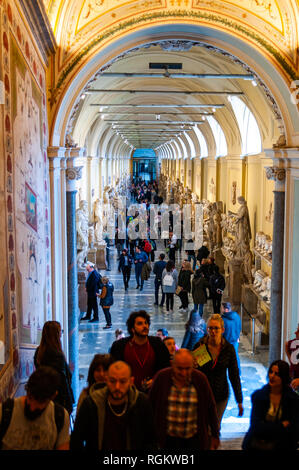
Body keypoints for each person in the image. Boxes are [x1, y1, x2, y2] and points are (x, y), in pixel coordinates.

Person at [70, 361, 156, 451]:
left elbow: (150, 440)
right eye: (112, 381)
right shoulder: (91, 403)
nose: (117, 387)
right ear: (106, 380)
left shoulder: (141, 403)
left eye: (122, 381)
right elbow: (76, 441)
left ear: (131, 382)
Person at [149, 349, 220, 450]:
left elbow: (211, 408)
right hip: (167, 441)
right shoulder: (161, 378)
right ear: (172, 364)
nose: (183, 373)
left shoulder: (200, 380)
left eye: (187, 369)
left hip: (194, 441)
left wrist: (215, 435)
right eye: (180, 368)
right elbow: (150, 407)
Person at [0, 366, 70, 450]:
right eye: (30, 398)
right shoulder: (5, 411)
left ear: (53, 396)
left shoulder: (59, 417)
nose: (32, 407)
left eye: (40, 402)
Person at [193, 314, 243, 428]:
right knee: (203, 426)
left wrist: (239, 400)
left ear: (222, 330)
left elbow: (234, 375)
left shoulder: (228, 349)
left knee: (215, 426)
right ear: (207, 329)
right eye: (210, 328)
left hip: (220, 395)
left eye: (216, 328)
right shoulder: (200, 346)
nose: (213, 331)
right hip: (202, 394)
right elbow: (193, 372)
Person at [242, 360, 299, 450]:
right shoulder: (259, 396)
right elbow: (256, 427)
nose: (272, 376)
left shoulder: (292, 399)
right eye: (271, 372)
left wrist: (267, 427)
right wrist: (281, 426)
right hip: (258, 445)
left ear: (283, 377)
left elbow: (293, 429)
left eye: (277, 374)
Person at [110, 310, 170, 392]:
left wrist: (155, 380)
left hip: (153, 392)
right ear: (132, 329)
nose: (145, 326)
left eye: (146, 323)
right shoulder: (119, 346)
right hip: (128, 393)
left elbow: (165, 368)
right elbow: (114, 370)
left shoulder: (158, 344)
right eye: (140, 324)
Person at [34, 321, 74, 415]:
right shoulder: (56, 354)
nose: (61, 334)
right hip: (58, 399)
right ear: (56, 334)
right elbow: (63, 381)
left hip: (44, 396)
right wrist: (69, 403)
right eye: (60, 331)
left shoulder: (39, 352)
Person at [220, 302, 242, 372]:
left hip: (226, 341)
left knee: (224, 358)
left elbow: (222, 332)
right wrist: (237, 337)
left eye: (222, 308)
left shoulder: (223, 320)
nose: (221, 309)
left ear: (226, 309)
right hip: (235, 341)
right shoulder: (237, 316)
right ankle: (238, 371)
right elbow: (239, 327)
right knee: (235, 357)